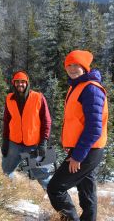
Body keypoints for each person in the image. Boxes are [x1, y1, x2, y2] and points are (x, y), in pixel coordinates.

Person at [47, 50, 108, 221]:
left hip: (87, 150)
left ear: (85, 67)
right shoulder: (77, 86)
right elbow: (77, 120)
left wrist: (78, 155)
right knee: (87, 191)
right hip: (85, 147)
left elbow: (94, 128)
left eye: (76, 65)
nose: (72, 69)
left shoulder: (90, 89)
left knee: (55, 188)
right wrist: (72, 144)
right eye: (69, 65)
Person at [1, 70, 52, 189]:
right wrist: (5, 141)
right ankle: (12, 194)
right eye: (17, 82)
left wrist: (43, 143)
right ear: (13, 83)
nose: (20, 84)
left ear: (27, 83)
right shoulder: (9, 98)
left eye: (22, 82)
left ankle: (56, 201)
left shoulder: (38, 97)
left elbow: (47, 121)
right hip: (14, 143)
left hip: (34, 144)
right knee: (6, 171)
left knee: (43, 176)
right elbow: (7, 121)